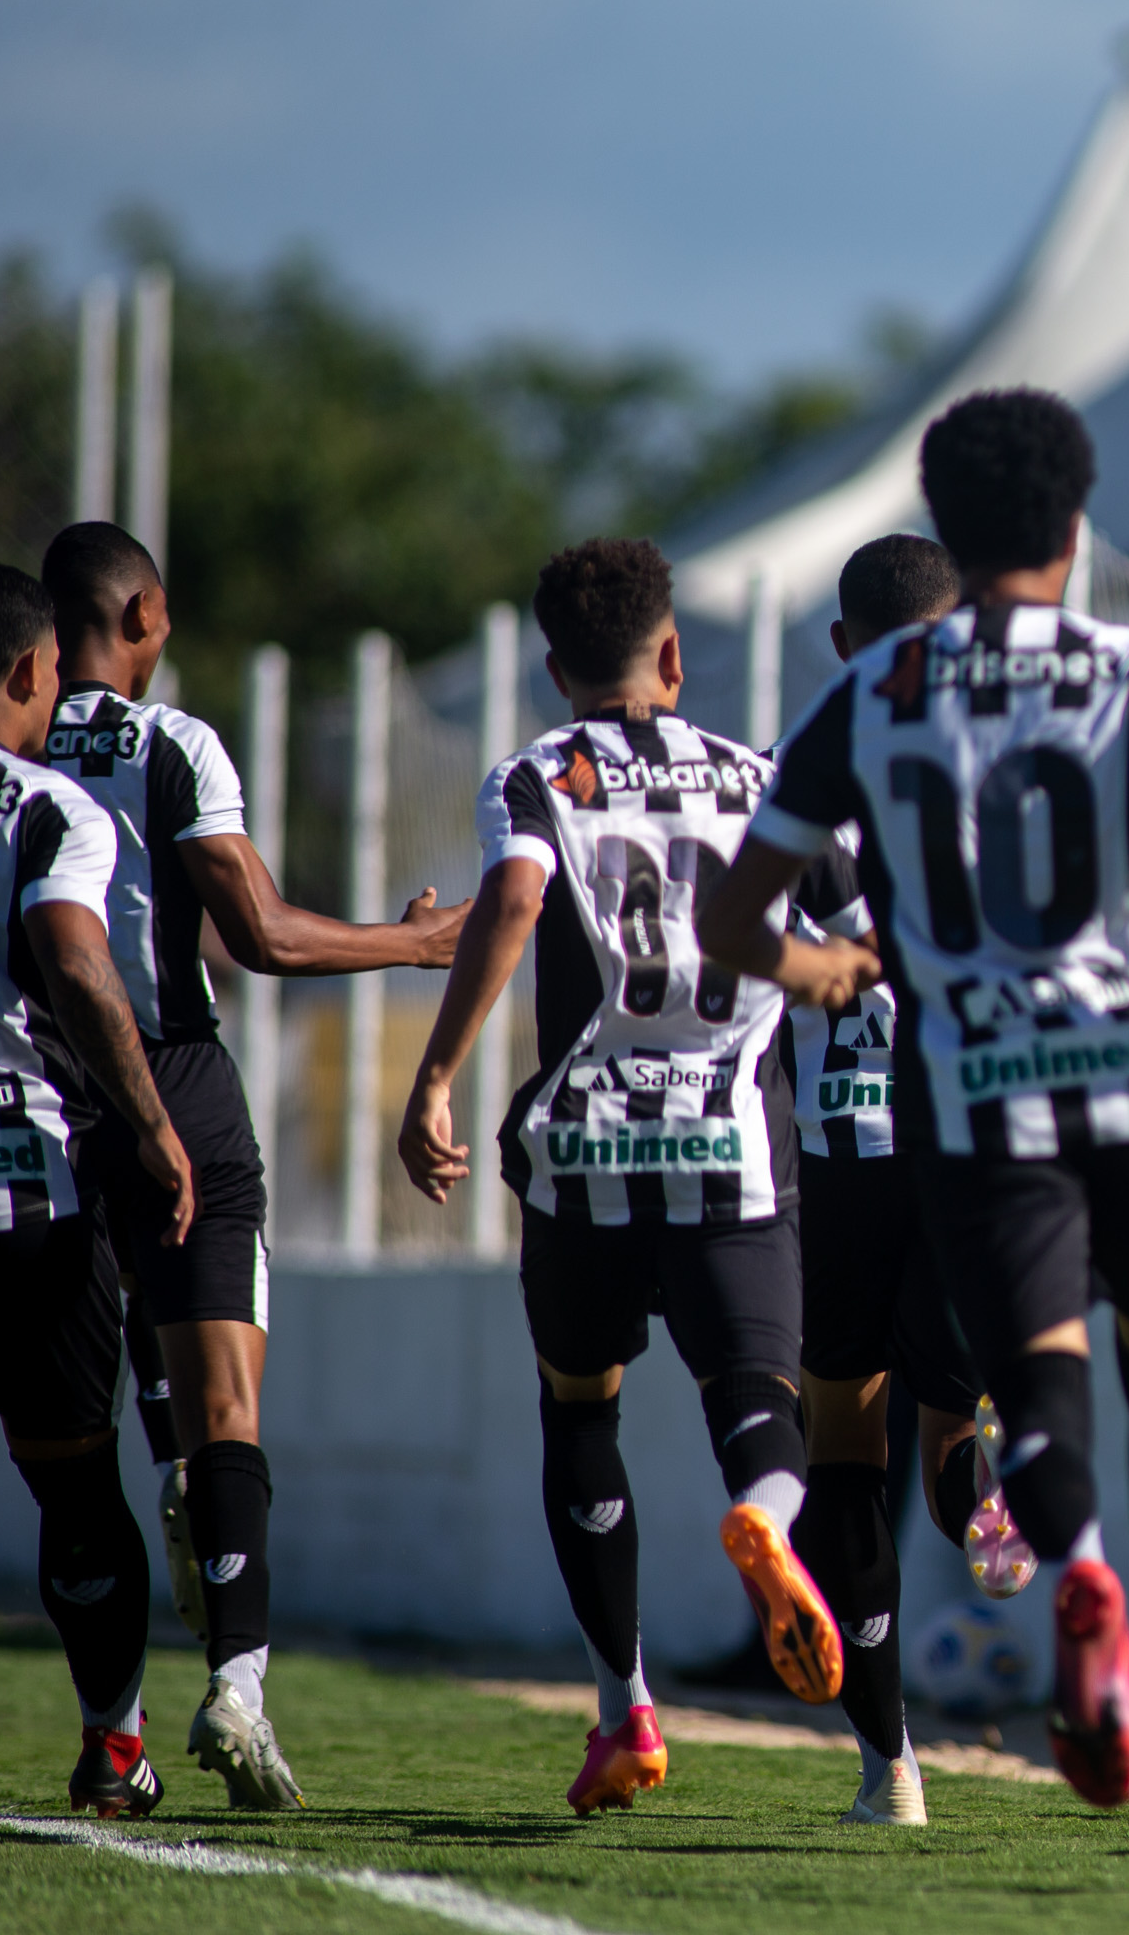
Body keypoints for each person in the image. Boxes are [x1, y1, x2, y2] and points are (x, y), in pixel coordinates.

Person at [698, 389, 1129, 1844]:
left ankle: (1071, 1572)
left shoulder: (863, 700)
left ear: (946, 521)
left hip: (965, 1102)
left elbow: (729, 913)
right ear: (1076, 530)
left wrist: (813, 963)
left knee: (1025, 1389)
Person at [396, 536, 845, 1816]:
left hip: (586, 1154)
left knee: (579, 1411)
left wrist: (437, 1079)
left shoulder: (534, 774)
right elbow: (856, 937)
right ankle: (764, 1513)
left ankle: (623, 1710)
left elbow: (516, 904)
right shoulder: (762, 777)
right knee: (757, 1392)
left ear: (553, 668)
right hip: (734, 1151)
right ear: (674, 652)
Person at [37, 519, 469, 1810]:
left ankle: (115, 1733)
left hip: (37, 1095)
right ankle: (240, 1687)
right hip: (175, 1077)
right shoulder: (175, 746)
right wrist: (414, 947)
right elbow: (261, 935)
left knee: (68, 1446)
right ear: (150, 618)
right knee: (226, 1410)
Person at [0, 561, 196, 1818]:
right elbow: (79, 965)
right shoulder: (49, 802)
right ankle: (113, 1744)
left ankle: (114, 1745)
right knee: (78, 1476)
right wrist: (151, 1124)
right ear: (33, 672)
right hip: (33, 1186)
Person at [780, 532, 1036, 1826]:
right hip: (964, 1153)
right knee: (949, 1418)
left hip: (838, 1162)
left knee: (843, 1447)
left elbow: (734, 977)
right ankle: (990, 1499)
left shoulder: (794, 785)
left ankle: (892, 1770)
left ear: (842, 647)